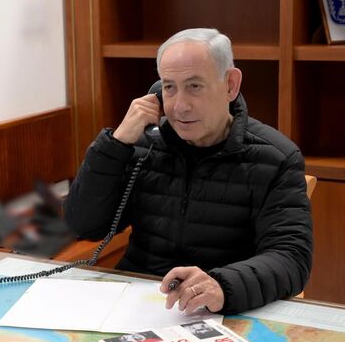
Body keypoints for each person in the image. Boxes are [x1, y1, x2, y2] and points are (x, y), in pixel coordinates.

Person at [64, 28, 312, 315]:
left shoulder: (276, 158)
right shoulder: (145, 145)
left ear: (230, 85)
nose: (180, 106)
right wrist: (115, 146)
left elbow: (291, 258)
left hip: (220, 308)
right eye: (169, 87)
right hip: (138, 302)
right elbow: (83, 226)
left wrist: (221, 285)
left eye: (194, 86)